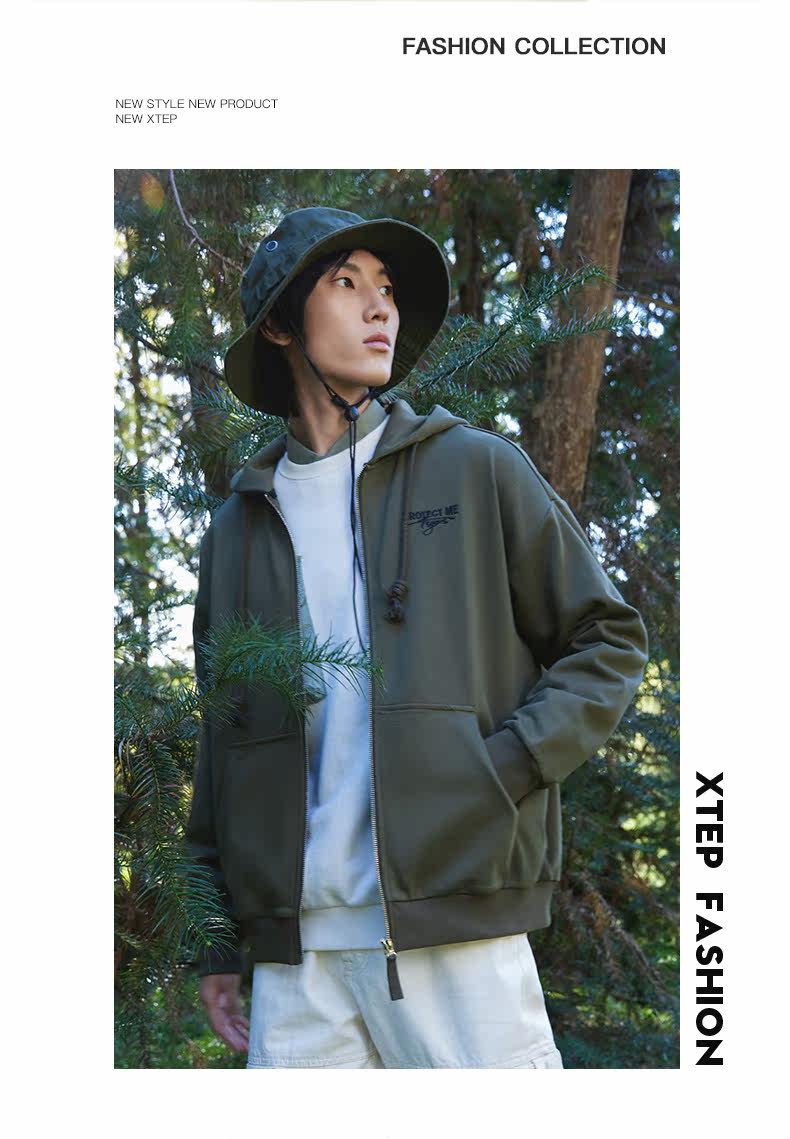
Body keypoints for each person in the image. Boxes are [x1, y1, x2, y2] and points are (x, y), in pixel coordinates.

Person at [185, 206, 649, 1069]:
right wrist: (215, 938)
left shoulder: (473, 467)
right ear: (280, 325)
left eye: (388, 288)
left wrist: (503, 766)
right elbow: (224, 741)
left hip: (455, 931)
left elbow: (608, 639)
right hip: (296, 957)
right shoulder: (236, 531)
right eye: (346, 283)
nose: (380, 308)